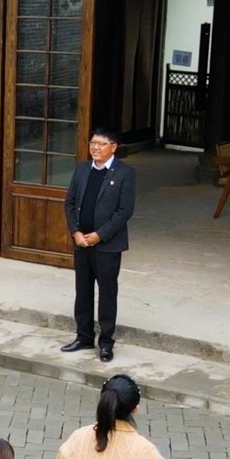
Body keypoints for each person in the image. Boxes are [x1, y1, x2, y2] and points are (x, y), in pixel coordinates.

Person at [61, 127, 136, 363]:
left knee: (107, 294)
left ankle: (106, 343)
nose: (95, 147)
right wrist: (76, 232)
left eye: (101, 144)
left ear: (113, 147)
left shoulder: (125, 173)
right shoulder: (82, 169)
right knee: (82, 292)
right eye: (93, 143)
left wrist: (100, 235)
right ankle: (83, 337)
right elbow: (69, 203)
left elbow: (125, 210)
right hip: (82, 243)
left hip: (107, 245)